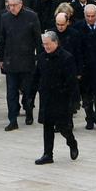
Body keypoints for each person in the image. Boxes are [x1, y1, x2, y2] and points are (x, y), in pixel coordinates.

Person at [34, 30, 80, 164]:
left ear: (55, 42)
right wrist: (30, 93)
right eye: (44, 44)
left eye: (48, 44)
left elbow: (72, 81)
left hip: (62, 98)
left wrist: (74, 100)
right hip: (47, 97)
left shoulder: (66, 57)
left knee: (63, 127)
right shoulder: (42, 57)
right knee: (47, 126)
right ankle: (48, 154)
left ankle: (72, 143)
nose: (46, 47)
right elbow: (37, 76)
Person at [0, 0, 39, 130]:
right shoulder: (5, 18)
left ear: (21, 4)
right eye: (9, 5)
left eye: (14, 5)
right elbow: (2, 39)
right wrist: (1, 59)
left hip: (27, 61)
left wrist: (39, 58)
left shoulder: (31, 16)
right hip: (11, 62)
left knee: (28, 91)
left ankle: (28, 112)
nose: (12, 8)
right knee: (11, 93)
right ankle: (12, 119)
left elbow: (37, 40)